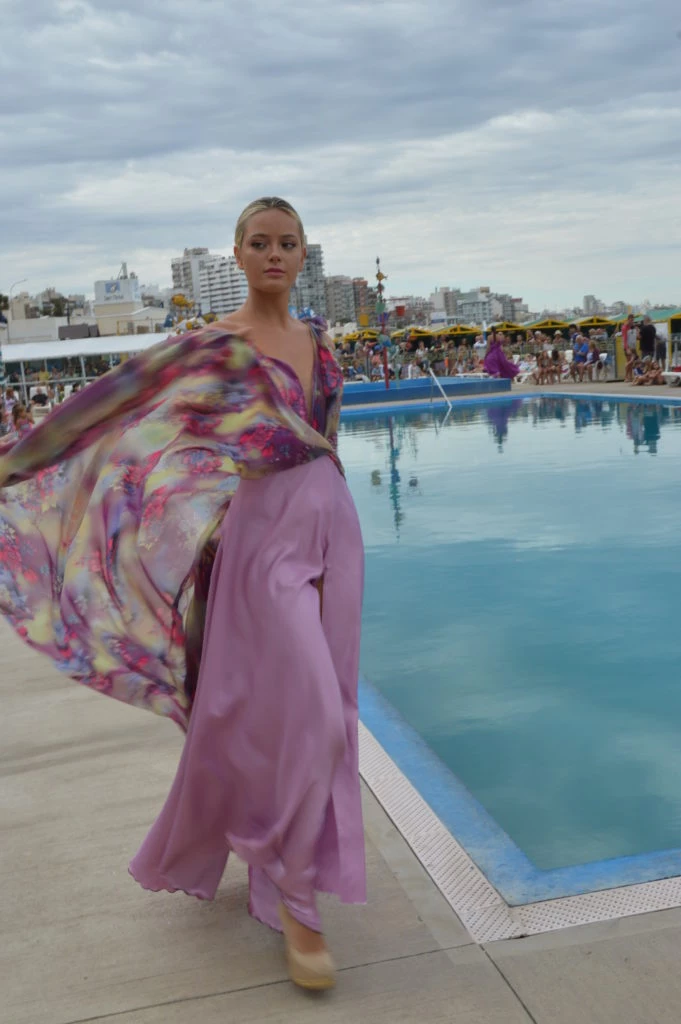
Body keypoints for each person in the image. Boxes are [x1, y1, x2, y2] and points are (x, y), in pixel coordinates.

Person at [0, 197, 365, 992]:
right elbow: (113, 404)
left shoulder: (319, 344)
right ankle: (298, 905)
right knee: (314, 716)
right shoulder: (215, 347)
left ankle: (279, 862)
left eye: (288, 243)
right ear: (236, 253)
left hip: (334, 534)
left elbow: (327, 443)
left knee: (327, 708)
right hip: (263, 541)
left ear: (304, 255)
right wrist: (18, 463)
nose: (275, 253)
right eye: (260, 242)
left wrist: (336, 543)